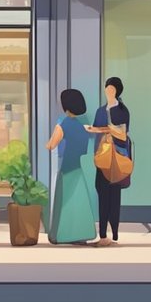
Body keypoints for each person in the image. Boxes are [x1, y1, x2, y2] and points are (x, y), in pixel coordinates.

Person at [46, 88, 97, 245]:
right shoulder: (83, 126)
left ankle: (62, 235)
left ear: (65, 106)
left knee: (65, 200)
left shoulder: (63, 124)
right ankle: (81, 233)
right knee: (79, 200)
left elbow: (51, 145)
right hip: (79, 167)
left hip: (67, 167)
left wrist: (54, 133)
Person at [86, 76, 131, 246]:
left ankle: (115, 233)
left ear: (117, 91)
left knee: (114, 196)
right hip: (102, 157)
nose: (108, 91)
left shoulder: (123, 111)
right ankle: (103, 233)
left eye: (112, 88)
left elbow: (123, 133)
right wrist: (94, 130)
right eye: (107, 88)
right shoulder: (100, 111)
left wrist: (106, 130)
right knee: (102, 192)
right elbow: (97, 130)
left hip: (117, 157)